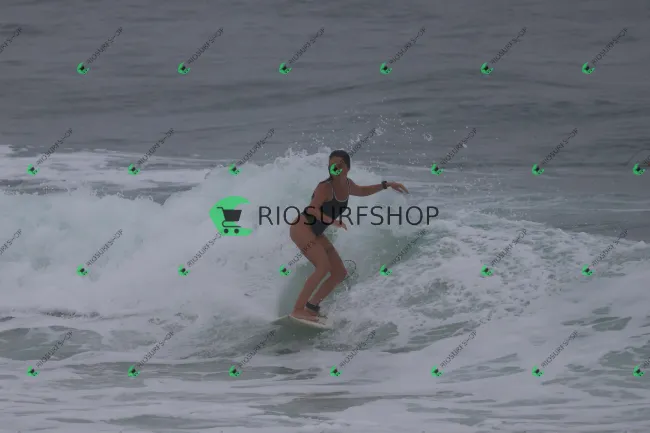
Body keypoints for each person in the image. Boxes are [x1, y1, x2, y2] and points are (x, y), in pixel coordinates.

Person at [289, 150, 409, 322]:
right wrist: (332, 221)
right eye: (331, 165)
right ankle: (298, 310)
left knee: (339, 272)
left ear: (347, 168)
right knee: (323, 267)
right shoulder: (325, 187)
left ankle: (312, 307)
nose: (335, 167)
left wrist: (387, 185)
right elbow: (312, 209)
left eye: (339, 164)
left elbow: (363, 191)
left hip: (316, 232)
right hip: (302, 227)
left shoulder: (348, 184)